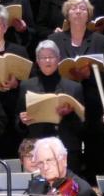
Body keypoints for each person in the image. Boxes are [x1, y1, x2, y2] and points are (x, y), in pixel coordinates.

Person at [17, 40, 86, 172]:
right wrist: (22, 121)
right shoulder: (27, 86)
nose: (47, 61)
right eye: (43, 57)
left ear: (58, 59)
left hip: (66, 149)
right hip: (37, 149)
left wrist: (69, 114)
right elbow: (17, 123)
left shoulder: (73, 87)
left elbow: (83, 126)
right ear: (37, 60)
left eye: (51, 57)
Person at [27, 137, 101, 196]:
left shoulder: (81, 189)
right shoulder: (35, 184)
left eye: (49, 160)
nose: (45, 167)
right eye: (40, 162)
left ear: (64, 159)